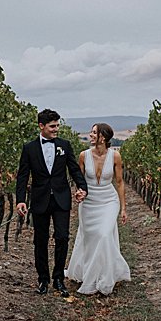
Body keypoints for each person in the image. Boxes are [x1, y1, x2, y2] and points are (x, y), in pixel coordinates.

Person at [16, 109, 87, 298]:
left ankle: (58, 279)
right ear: (41, 126)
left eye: (57, 126)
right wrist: (20, 200)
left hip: (61, 198)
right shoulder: (29, 148)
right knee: (40, 240)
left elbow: (73, 169)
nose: (56, 129)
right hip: (40, 200)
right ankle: (43, 279)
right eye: (52, 126)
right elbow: (22, 176)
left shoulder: (64, 145)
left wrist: (82, 187)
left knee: (62, 237)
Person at [66, 123, 131, 295]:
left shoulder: (115, 156)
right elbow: (78, 181)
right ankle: (90, 271)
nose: (91, 135)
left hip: (109, 201)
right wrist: (78, 193)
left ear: (103, 137)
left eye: (94, 133)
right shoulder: (83, 156)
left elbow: (119, 182)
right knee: (90, 237)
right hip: (89, 202)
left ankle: (105, 275)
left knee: (103, 234)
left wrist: (123, 208)